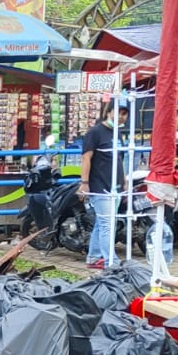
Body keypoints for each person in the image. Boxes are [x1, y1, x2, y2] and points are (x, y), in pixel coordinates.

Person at [78, 101, 124, 270]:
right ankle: (111, 261)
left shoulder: (118, 134)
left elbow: (120, 159)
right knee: (107, 224)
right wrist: (84, 183)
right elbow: (86, 158)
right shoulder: (95, 133)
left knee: (102, 222)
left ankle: (94, 257)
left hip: (115, 186)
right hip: (100, 186)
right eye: (119, 112)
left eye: (125, 113)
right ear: (109, 112)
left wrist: (124, 180)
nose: (121, 116)